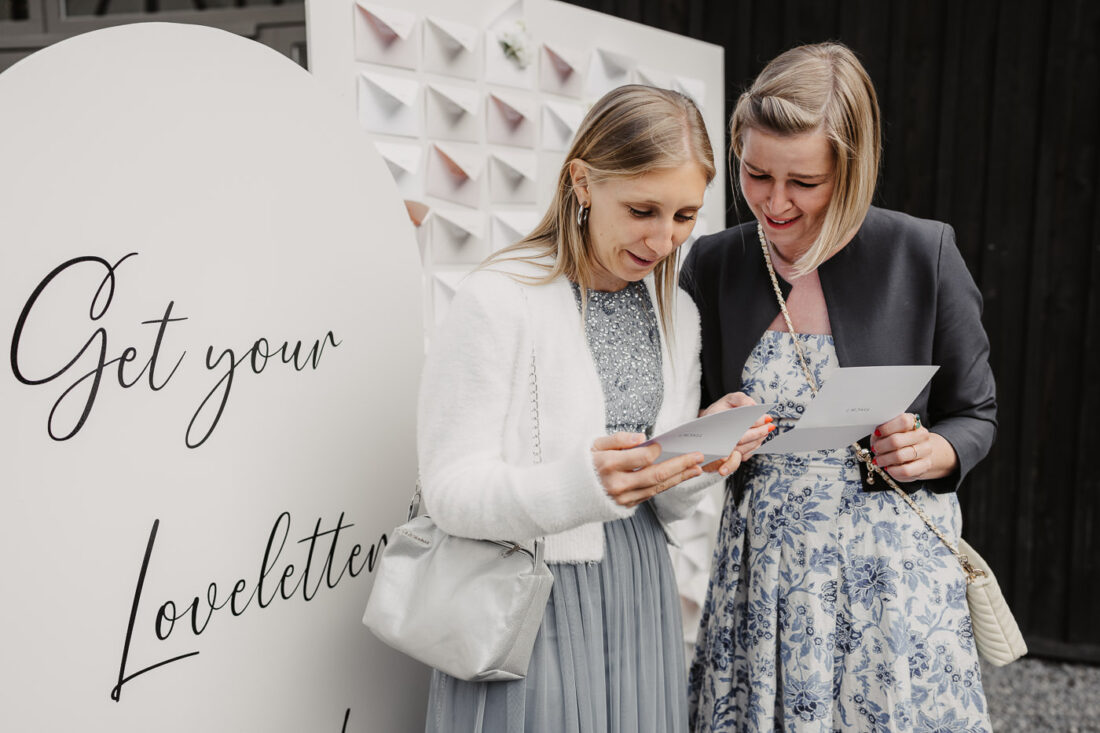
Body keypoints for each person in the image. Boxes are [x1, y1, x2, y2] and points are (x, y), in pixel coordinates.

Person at [417, 85, 773, 732]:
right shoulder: (497, 300)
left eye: (685, 216)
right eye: (643, 209)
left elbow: (663, 499)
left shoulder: (678, 314)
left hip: (639, 586)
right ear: (582, 182)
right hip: (528, 593)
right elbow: (448, 490)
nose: (665, 239)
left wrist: (701, 452)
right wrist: (581, 485)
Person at [683, 43, 997, 732]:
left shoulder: (924, 253)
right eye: (755, 172)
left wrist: (934, 454)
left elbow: (975, 413)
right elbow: (675, 419)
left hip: (893, 581)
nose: (773, 201)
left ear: (852, 170)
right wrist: (707, 427)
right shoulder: (711, 264)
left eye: (805, 182)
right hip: (762, 577)